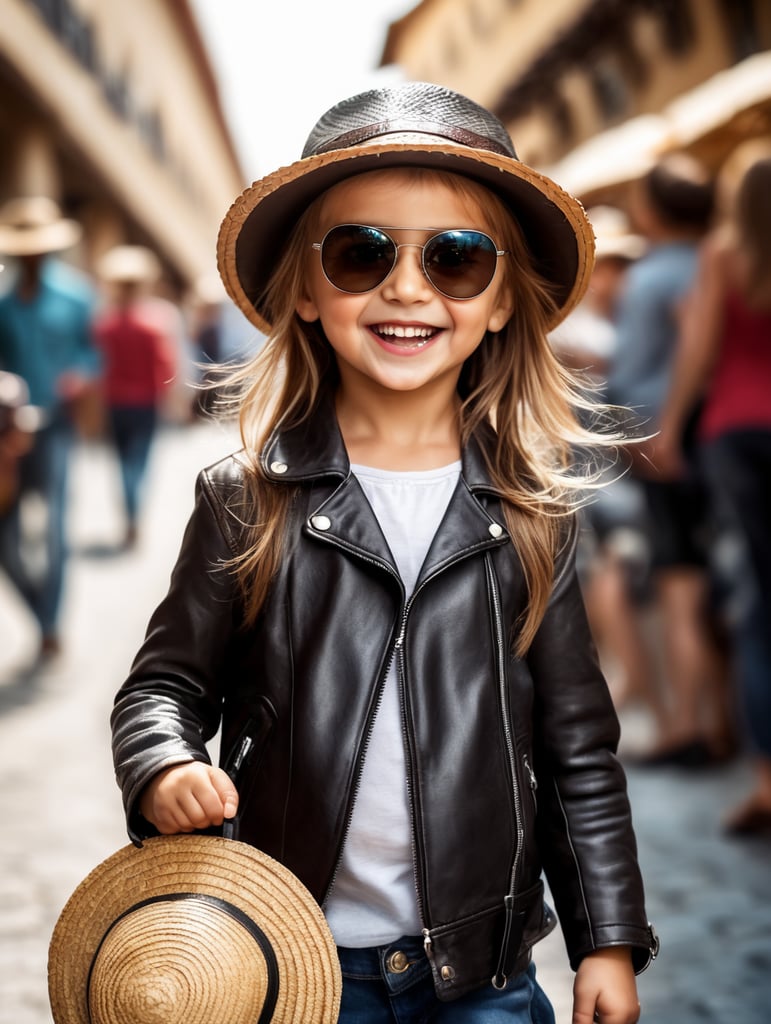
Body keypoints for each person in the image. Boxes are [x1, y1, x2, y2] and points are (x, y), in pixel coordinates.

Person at [111, 83, 658, 1024]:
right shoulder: (246, 499)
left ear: (500, 302)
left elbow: (577, 749)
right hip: (288, 961)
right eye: (362, 254)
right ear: (306, 291)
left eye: (455, 258)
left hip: (480, 975)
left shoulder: (533, 514)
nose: (406, 289)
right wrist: (162, 764)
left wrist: (604, 939)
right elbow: (162, 687)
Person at [653, 148, 771, 835]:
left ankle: (767, 782)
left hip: (733, 434)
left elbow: (696, 352)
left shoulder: (722, 255)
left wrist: (670, 427)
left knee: (757, 600)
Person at [605, 154, 730, 767]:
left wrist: (657, 427)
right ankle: (721, 721)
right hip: (706, 438)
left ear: (653, 210)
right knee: (711, 582)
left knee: (682, 586)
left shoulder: (655, 277)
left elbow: (683, 348)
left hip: (666, 442)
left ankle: (688, 727)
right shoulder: (720, 260)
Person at [550, 208, 668, 733]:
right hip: (595, 480)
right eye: (611, 263)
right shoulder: (575, 331)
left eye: (624, 264)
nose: (618, 275)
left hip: (630, 477)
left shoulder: (628, 324)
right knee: (611, 574)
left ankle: (638, 685)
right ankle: (632, 684)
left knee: (628, 578)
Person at [0, 196, 99, 659]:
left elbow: (91, 353)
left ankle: (51, 625)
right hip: (9, 434)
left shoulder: (77, 296)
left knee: (56, 528)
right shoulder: (3, 302)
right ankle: (42, 615)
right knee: (7, 539)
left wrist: (79, 375)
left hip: (57, 426)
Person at [93, 244, 178, 548]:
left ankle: (130, 515)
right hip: (145, 403)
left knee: (122, 462)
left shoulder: (105, 324)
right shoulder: (155, 322)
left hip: (116, 402)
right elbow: (165, 367)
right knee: (138, 461)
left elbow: (98, 366)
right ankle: (134, 513)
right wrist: (170, 399)